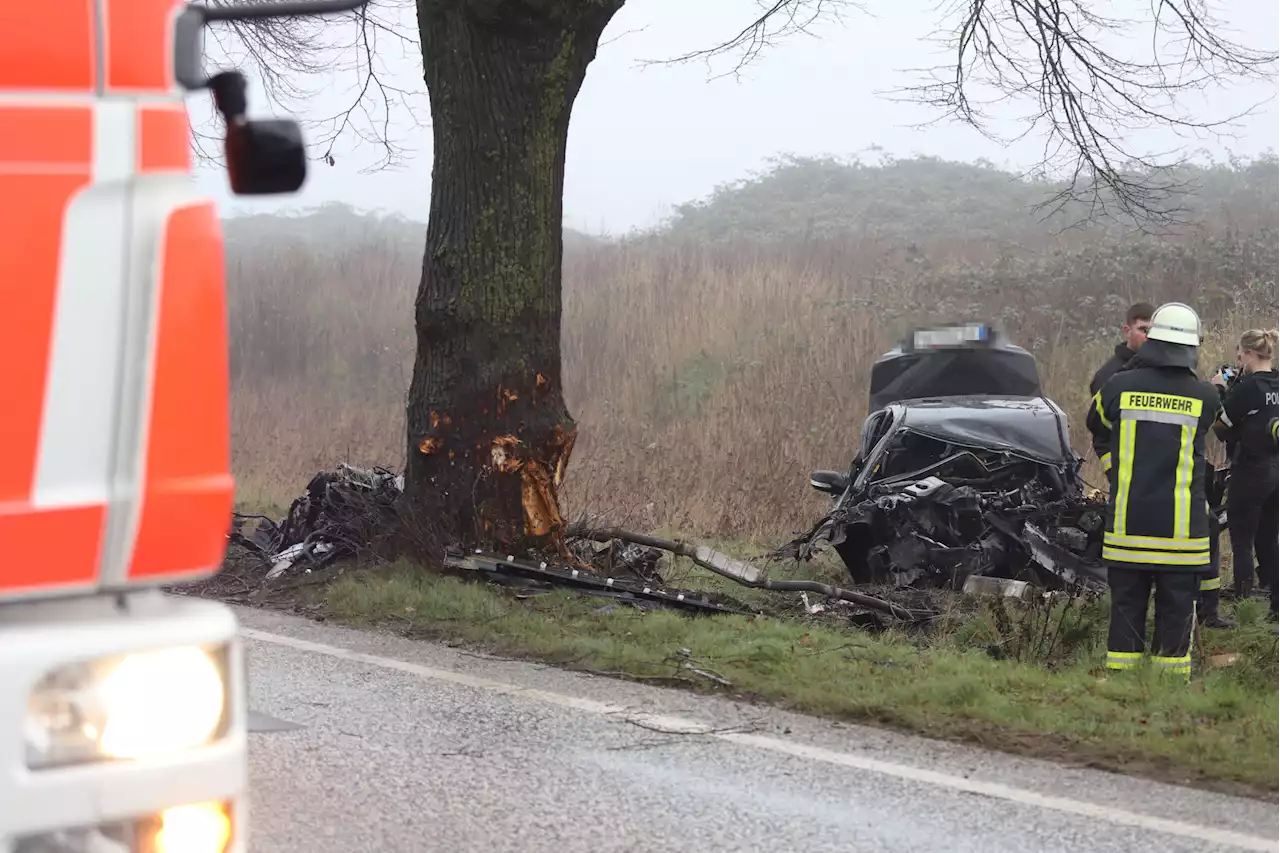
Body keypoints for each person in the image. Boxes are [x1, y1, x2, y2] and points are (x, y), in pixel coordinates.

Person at [1086, 302, 1221, 680]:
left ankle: (1122, 686)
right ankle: (1168, 690)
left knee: (1126, 611)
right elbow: (1210, 424)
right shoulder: (1205, 396)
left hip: (1129, 529)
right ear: (1192, 348)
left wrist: (1116, 471)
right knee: (1176, 614)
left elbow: (1097, 421)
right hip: (1182, 536)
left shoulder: (1118, 387)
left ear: (1153, 342)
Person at [1211, 328, 1280, 622]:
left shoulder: (1248, 387)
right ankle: (1276, 609)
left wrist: (1219, 391)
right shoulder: (1277, 381)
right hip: (1276, 470)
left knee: (1241, 541)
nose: (1238, 358)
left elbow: (1220, 425)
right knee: (1269, 540)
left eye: (1240, 353)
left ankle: (1243, 609)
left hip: (1250, 470)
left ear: (1250, 354)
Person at [1089, 302, 1155, 398]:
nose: (1149, 336)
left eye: (1153, 331)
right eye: (1143, 330)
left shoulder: (1163, 369)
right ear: (1127, 331)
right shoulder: (1108, 375)